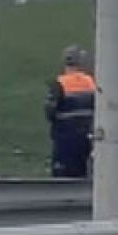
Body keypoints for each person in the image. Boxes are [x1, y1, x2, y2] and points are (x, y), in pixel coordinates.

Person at [45, 45, 96, 178]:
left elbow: (49, 112)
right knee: (83, 174)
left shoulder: (59, 83)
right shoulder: (90, 82)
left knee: (62, 176)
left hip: (64, 138)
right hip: (86, 137)